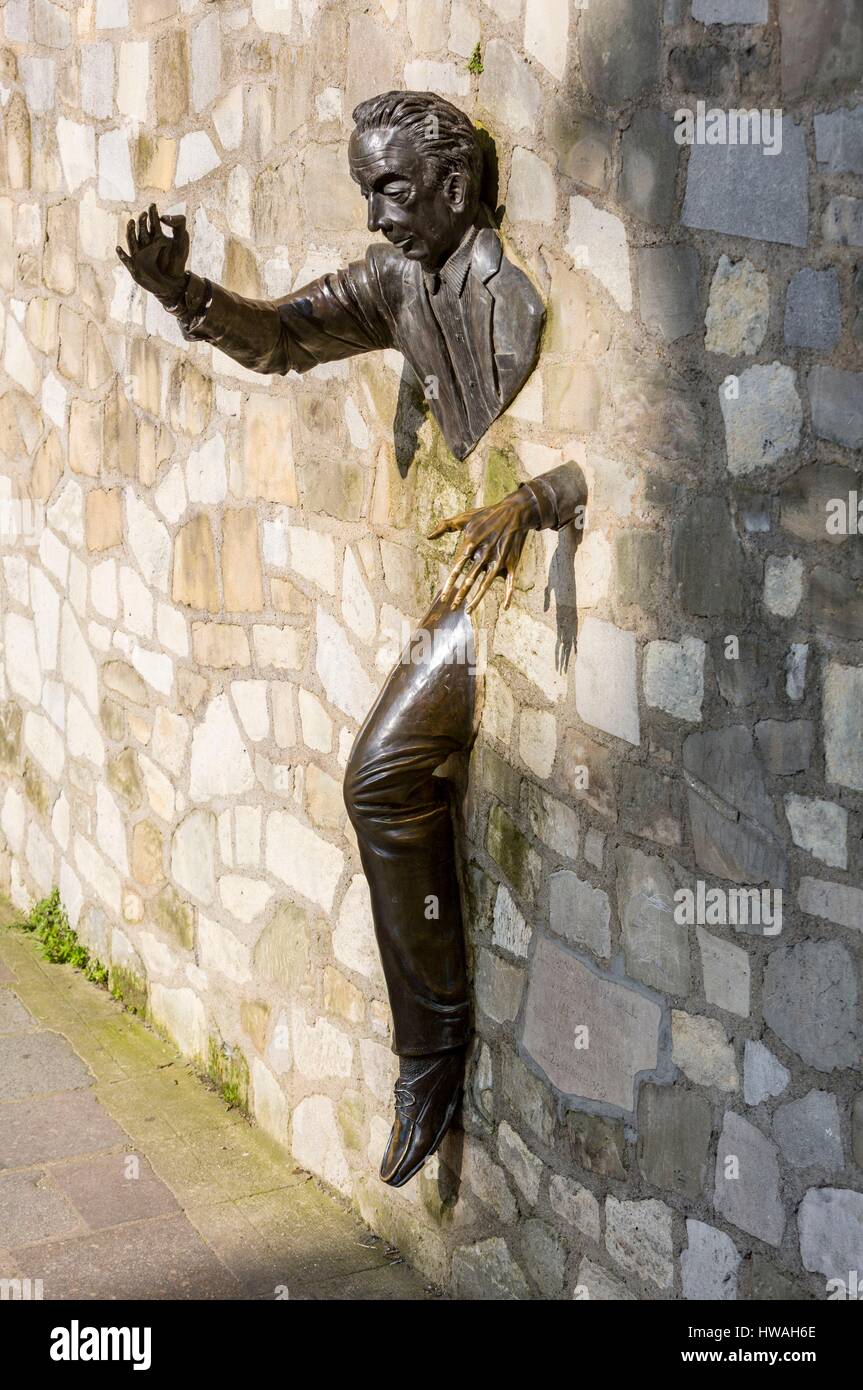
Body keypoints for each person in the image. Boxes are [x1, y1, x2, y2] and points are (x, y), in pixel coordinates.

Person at [118, 90, 586, 1187]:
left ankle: (430, 1055)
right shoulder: (397, 286)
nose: (376, 218)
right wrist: (183, 293)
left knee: (378, 774)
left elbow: (589, 461)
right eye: (366, 192)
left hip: (495, 605)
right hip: (463, 595)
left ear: (453, 186)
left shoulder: (510, 301)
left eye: (389, 190)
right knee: (382, 777)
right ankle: (430, 1055)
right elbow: (282, 336)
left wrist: (532, 496)